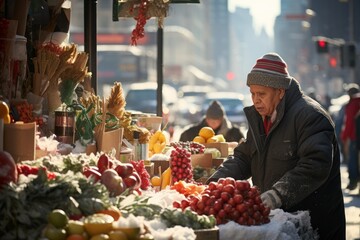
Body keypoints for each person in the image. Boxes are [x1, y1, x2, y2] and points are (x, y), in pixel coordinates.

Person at [207, 53, 345, 239]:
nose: (255, 100)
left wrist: (277, 195)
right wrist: (212, 185)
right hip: (280, 223)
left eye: (261, 94)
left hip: (312, 226)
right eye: (252, 94)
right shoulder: (261, 118)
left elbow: (315, 164)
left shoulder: (310, 116)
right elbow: (244, 156)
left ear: (280, 92)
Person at [179, 100, 244, 143]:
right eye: (210, 120)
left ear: (222, 119)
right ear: (206, 119)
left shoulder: (235, 133)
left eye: (216, 120)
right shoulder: (191, 133)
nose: (213, 122)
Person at [340, 83, 360, 190]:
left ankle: (353, 182)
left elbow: (349, 123)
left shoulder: (352, 104)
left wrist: (344, 137)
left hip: (354, 137)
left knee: (353, 160)